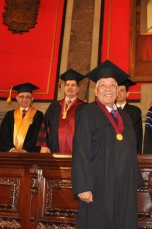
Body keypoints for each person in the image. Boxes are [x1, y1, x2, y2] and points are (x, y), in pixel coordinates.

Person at [71, 60, 143, 229]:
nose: (108, 89)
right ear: (96, 90)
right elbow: (80, 150)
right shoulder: (87, 113)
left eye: (112, 85)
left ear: (118, 91)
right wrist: (83, 186)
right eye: (103, 85)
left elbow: (132, 149)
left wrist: (134, 180)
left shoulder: (126, 117)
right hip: (97, 185)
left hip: (124, 184)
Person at [37, 69, 86, 154]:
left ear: (78, 89)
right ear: (64, 88)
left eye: (73, 85)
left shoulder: (84, 107)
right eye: (67, 85)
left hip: (78, 151)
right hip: (54, 148)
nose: (70, 87)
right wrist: (44, 145)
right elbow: (45, 125)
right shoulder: (54, 106)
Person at [0, 83, 43, 152]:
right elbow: (4, 134)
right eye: (21, 97)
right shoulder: (9, 115)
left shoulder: (38, 115)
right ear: (17, 98)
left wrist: (25, 150)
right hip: (10, 154)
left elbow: (37, 136)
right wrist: (12, 149)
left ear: (32, 98)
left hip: (29, 154)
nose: (24, 99)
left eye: (28, 97)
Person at [116, 78, 143, 154]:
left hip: (128, 151)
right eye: (116, 90)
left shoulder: (134, 111)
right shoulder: (109, 110)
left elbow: (136, 135)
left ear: (127, 93)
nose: (118, 93)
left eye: (122, 90)